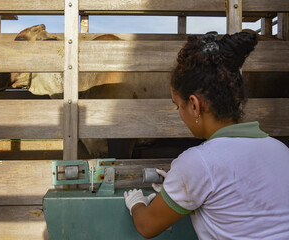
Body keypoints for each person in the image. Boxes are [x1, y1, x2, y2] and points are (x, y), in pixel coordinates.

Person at [124, 31, 289, 239]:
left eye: (178, 106)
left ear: (194, 105)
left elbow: (147, 226)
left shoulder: (197, 162)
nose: (180, 114)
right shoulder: (281, 150)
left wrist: (136, 203)